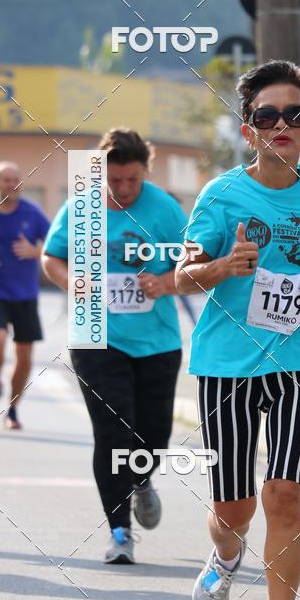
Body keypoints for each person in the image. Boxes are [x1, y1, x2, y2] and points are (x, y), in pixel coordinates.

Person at [175, 60, 300, 600]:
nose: (282, 124)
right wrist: (223, 267)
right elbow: (183, 273)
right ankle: (225, 557)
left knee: (284, 495)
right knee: (236, 510)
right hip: (226, 363)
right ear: (249, 129)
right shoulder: (222, 195)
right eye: (267, 116)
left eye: (295, 115)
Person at [42, 129, 186, 563]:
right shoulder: (82, 207)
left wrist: (165, 282)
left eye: (132, 180)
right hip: (95, 336)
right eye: (114, 180)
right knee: (111, 430)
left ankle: (142, 480)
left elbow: (193, 261)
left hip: (157, 338)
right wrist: (74, 284)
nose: (123, 189)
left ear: (145, 171)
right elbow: (52, 257)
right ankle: (120, 532)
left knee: (154, 435)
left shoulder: (165, 209)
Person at [0, 161, 50, 430]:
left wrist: (34, 251)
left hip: (26, 294)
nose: (13, 184)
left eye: (17, 180)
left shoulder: (33, 213)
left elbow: (54, 246)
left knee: (24, 355)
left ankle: (13, 408)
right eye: (7, 179)